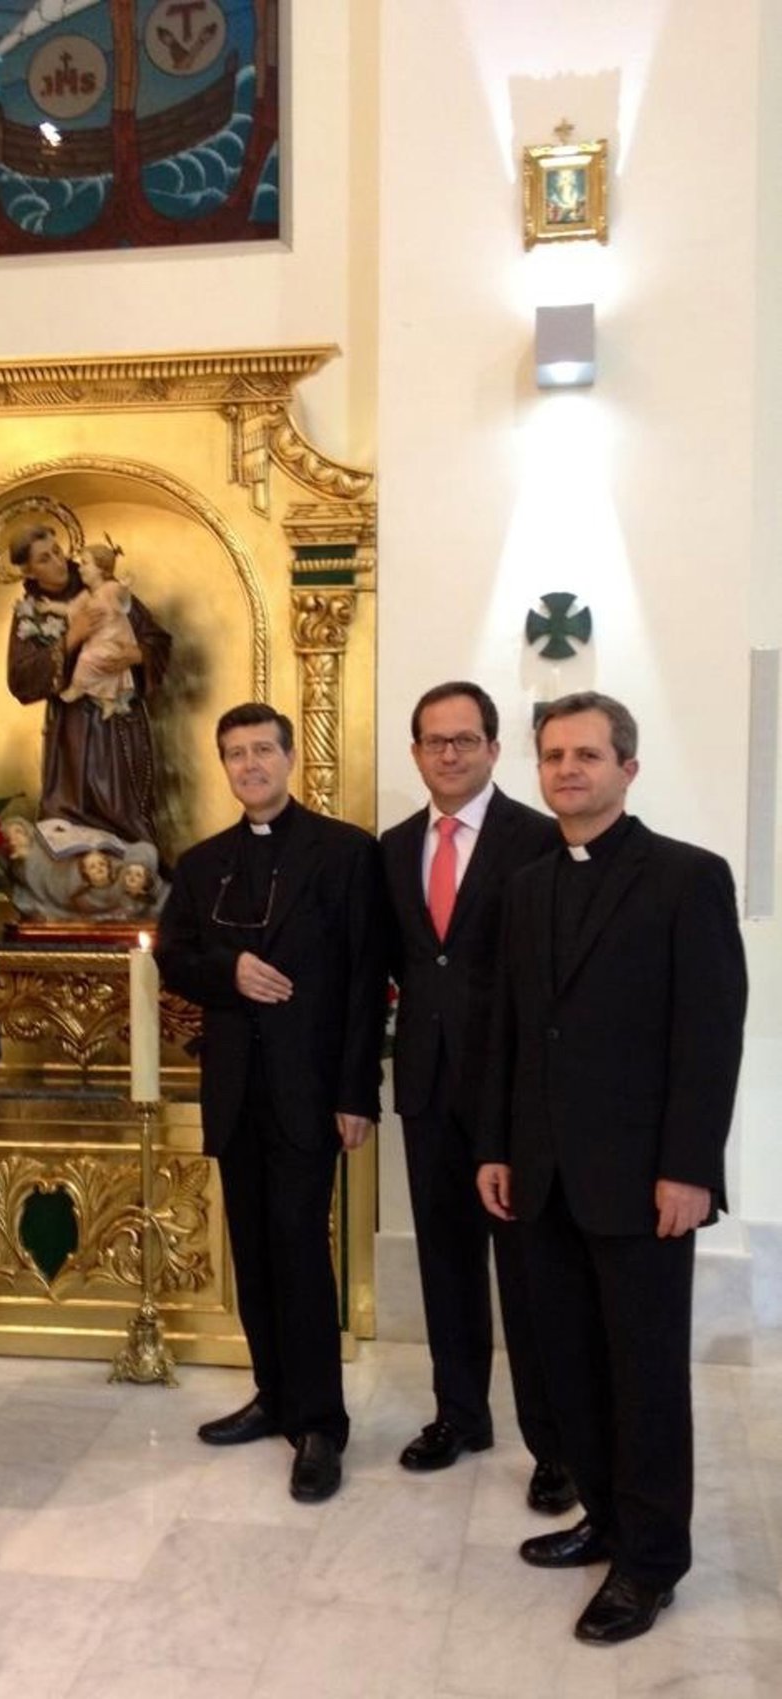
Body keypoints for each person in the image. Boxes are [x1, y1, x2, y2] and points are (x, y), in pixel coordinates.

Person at [477, 692, 747, 1646]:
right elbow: (511, 1030)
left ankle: (653, 1559)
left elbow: (709, 1034)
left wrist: (690, 1168)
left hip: (642, 1181)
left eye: (587, 754)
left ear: (628, 768)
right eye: (553, 755)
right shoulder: (526, 886)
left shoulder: (687, 877)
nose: (568, 770)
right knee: (570, 1365)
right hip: (543, 1174)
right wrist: (497, 1146)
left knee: (644, 1375)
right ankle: (605, 1515)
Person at [155, 703, 382, 1504]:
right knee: (252, 1249)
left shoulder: (346, 852)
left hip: (311, 1090)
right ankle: (273, 1393)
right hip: (236, 1090)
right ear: (224, 765)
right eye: (235, 753)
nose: (249, 764)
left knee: (300, 1248)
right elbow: (174, 955)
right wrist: (231, 972)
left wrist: (357, 1091)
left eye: (261, 749)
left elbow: (366, 979)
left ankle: (320, 1422)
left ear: (290, 758)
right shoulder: (203, 862)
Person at [378, 682, 572, 1513]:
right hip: (427, 1084)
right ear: (416, 753)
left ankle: (555, 1445)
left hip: (515, 1094)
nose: (449, 753)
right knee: (445, 1260)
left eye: (465, 739)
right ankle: (460, 1413)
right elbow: (402, 964)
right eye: (435, 740)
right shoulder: (393, 847)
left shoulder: (541, 837)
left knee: (529, 1273)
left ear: (494, 748)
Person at [6, 525, 171, 849]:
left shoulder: (100, 585)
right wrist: (71, 638)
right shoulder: (30, 613)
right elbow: (21, 679)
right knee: (70, 818)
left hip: (119, 721)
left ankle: (134, 866)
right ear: (29, 571)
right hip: (72, 730)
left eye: (57, 551)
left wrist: (136, 654)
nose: (58, 561)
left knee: (125, 813)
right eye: (44, 559)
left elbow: (156, 640)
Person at [56, 543, 138, 719]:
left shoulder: (111, 588)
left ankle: (77, 688)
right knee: (99, 666)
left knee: (87, 659)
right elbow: (70, 609)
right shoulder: (87, 595)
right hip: (97, 642)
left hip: (113, 641)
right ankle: (107, 702)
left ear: (101, 569)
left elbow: (124, 602)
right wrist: (49, 607)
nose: (80, 568)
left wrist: (124, 587)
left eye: (85, 563)